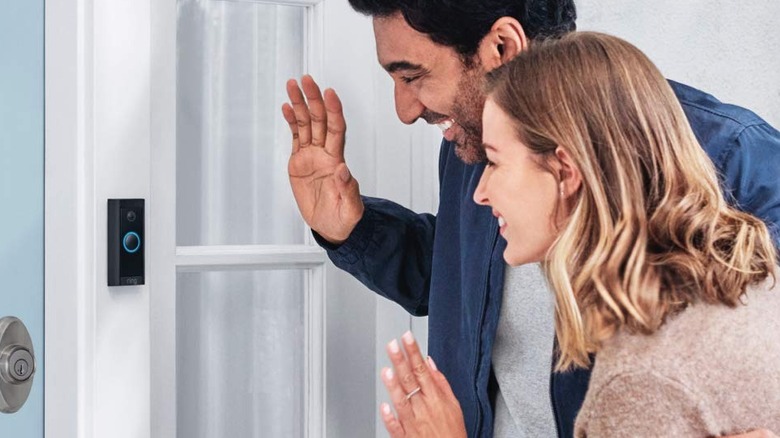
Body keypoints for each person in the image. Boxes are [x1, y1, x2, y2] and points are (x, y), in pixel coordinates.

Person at [281, 1, 780, 436]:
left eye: (413, 76)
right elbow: (461, 282)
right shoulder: (470, 145)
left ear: (501, 46)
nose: (405, 110)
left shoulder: (730, 155)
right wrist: (352, 228)